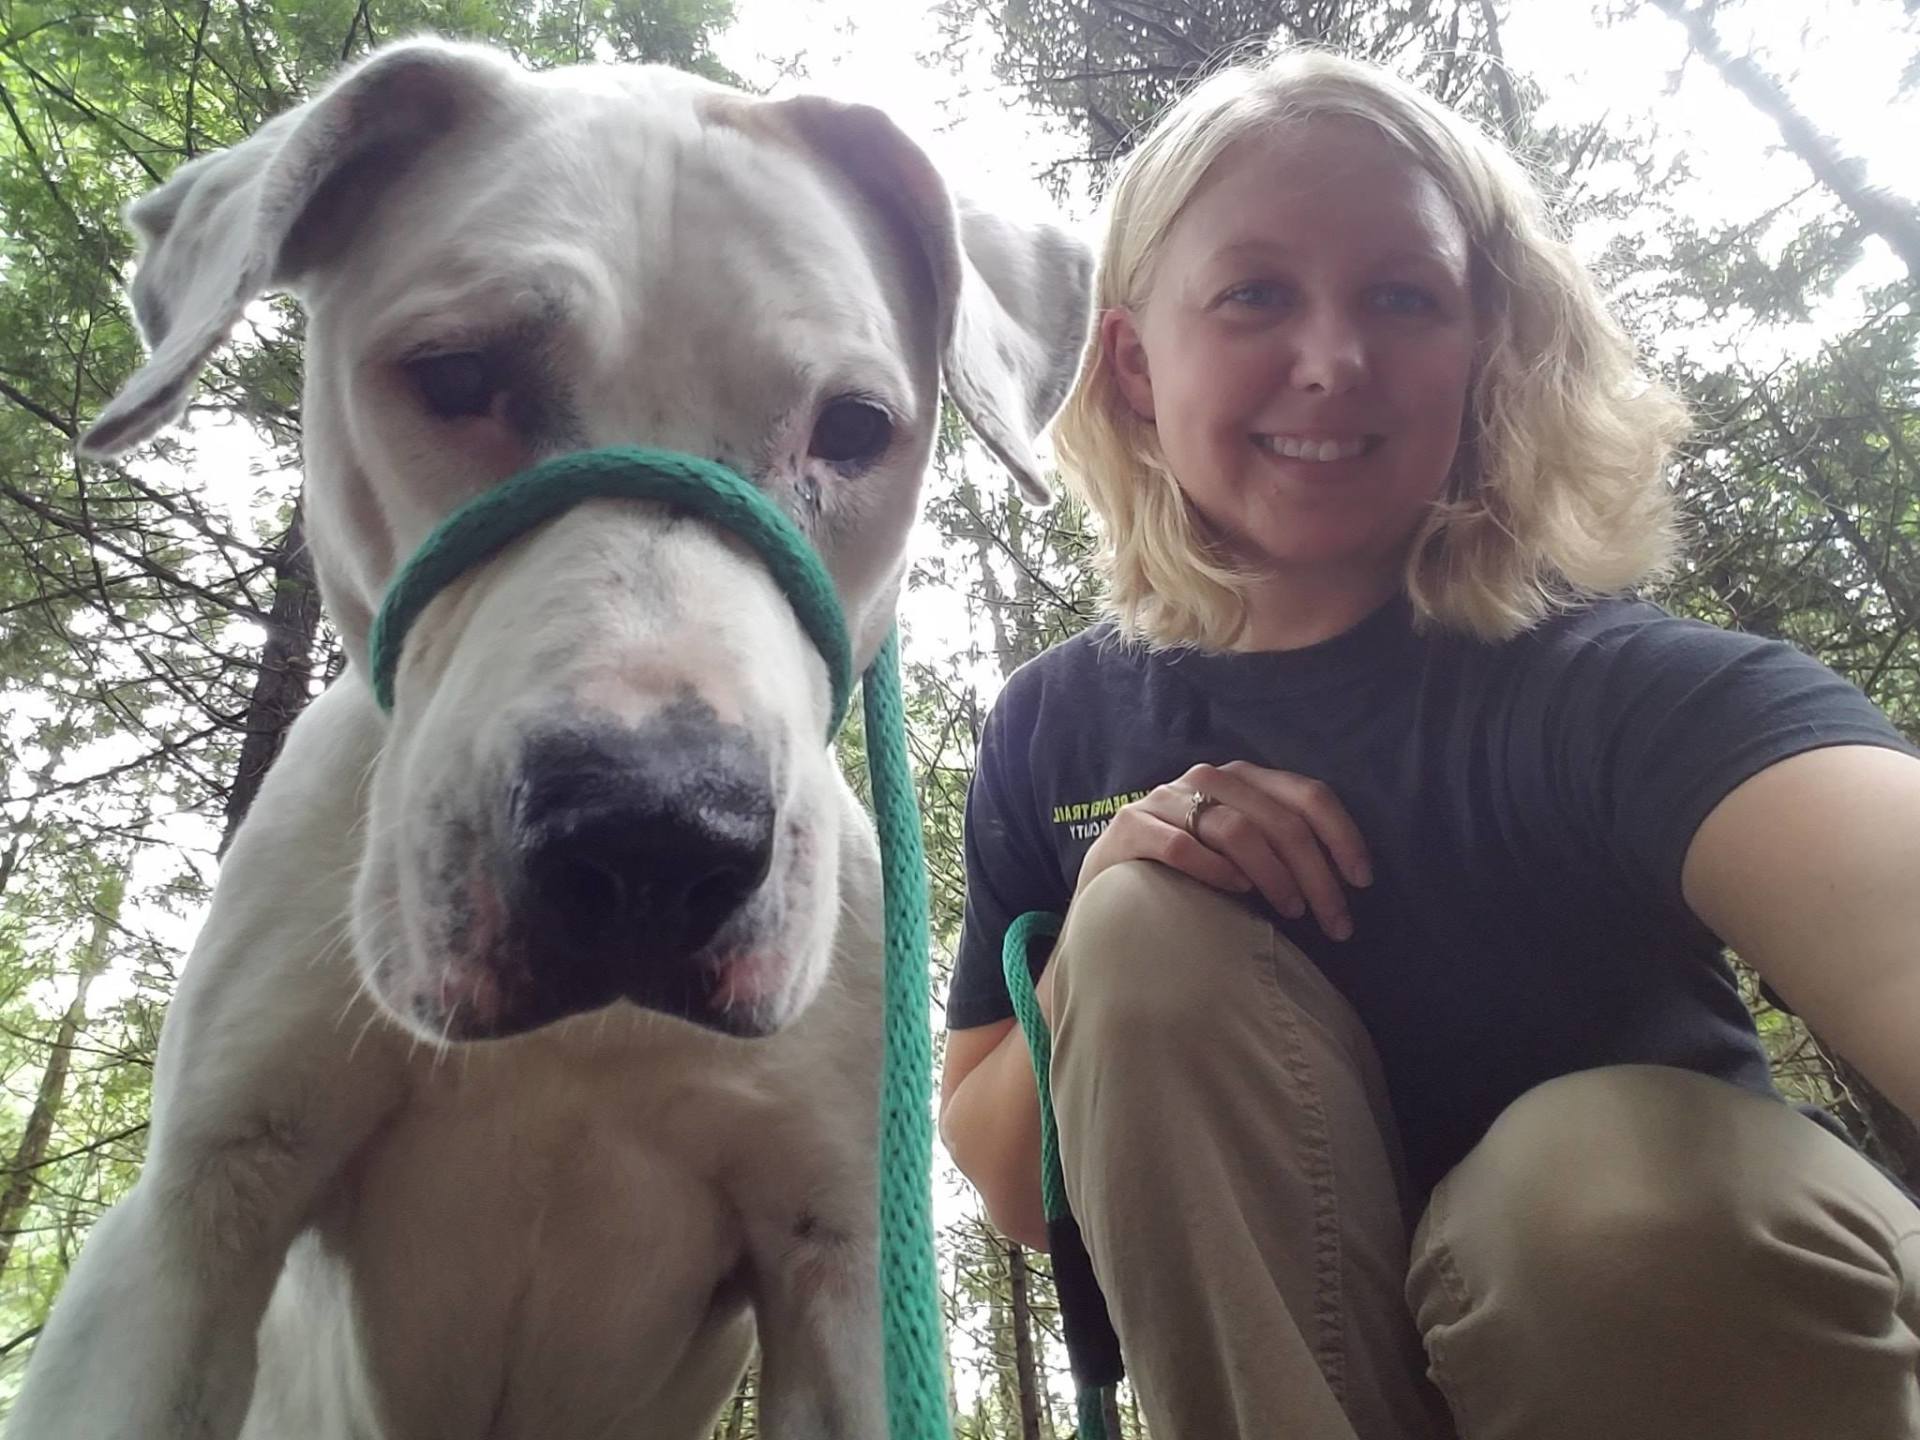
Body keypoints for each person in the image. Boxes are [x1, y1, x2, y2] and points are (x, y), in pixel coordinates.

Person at [936, 47, 1920, 1440]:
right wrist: (1101, 927)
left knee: (1597, 1201)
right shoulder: (1058, 725)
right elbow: (1010, 1182)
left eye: (1403, 296)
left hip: (1712, 1366)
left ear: (1485, 350)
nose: (1333, 362)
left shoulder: (1610, 693)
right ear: (1135, 365)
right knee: (1140, 922)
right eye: (1256, 294)